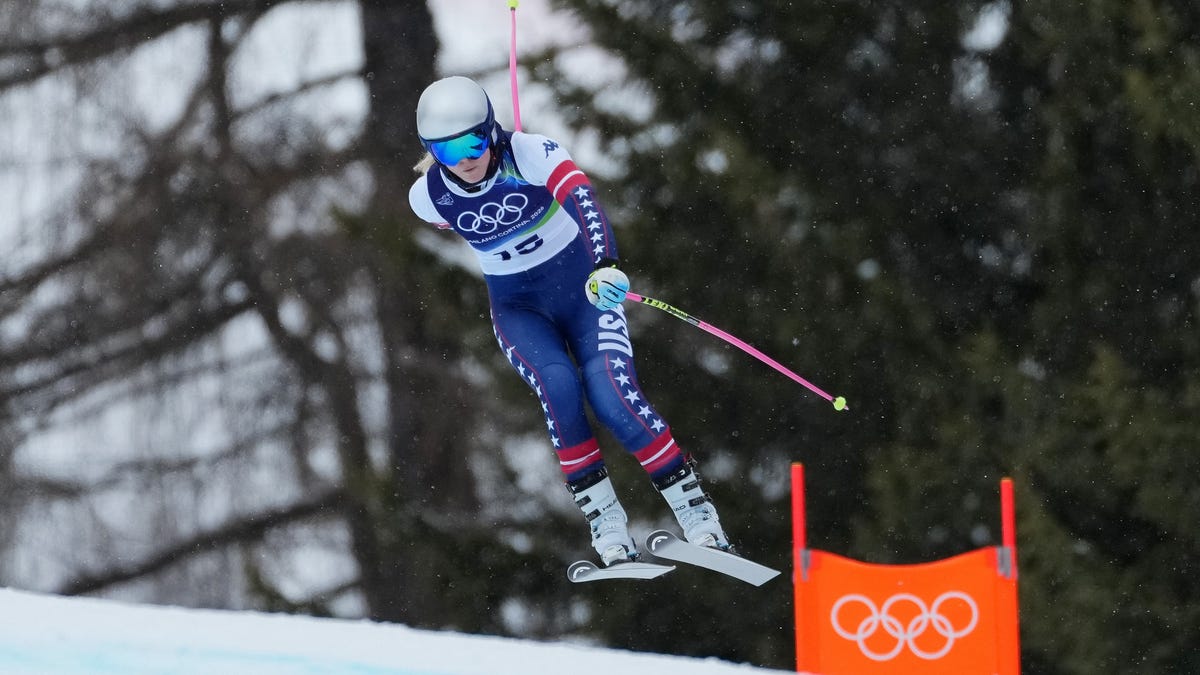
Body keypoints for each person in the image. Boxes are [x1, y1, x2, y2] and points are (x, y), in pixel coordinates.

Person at [407, 76, 732, 567]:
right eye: (448, 152)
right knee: (558, 388)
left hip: (585, 293)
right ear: (431, 152)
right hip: (518, 309)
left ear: (492, 130)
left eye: (474, 141)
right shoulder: (426, 199)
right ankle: (608, 528)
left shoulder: (530, 153)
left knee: (612, 397)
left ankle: (699, 517)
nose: (467, 159)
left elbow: (584, 200)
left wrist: (606, 263)